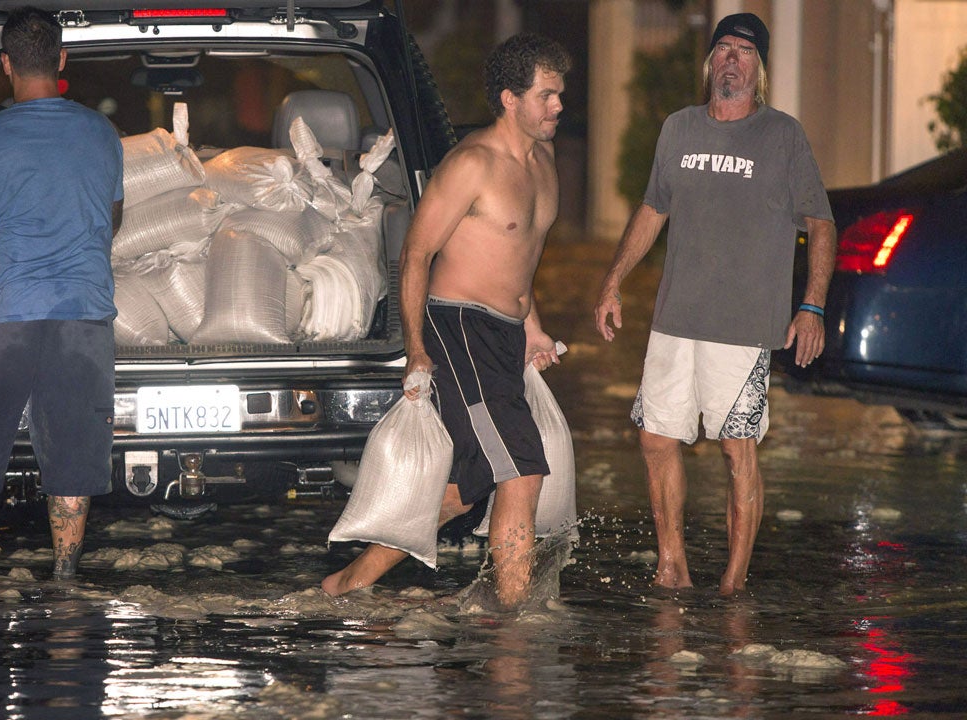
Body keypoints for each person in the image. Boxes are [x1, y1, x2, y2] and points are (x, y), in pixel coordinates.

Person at [321, 33, 571, 609]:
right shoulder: (472, 164)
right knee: (523, 467)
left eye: (560, 95)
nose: (558, 106)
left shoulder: (545, 161)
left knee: (464, 489)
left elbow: (520, 258)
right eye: (547, 95)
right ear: (510, 99)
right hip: (459, 328)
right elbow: (416, 253)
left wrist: (532, 325)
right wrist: (415, 349)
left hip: (505, 336)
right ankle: (513, 622)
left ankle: (344, 586)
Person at [593, 13, 836, 596]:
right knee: (655, 439)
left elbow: (821, 224)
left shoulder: (783, 136)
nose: (731, 59)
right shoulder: (678, 129)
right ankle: (672, 564)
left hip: (745, 327)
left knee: (737, 452)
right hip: (675, 317)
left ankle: (732, 583)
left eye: (744, 52)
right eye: (723, 48)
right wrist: (612, 281)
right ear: (710, 63)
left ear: (759, 70)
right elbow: (653, 210)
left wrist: (813, 306)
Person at [0, 6, 124, 580]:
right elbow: (109, 224)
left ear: (7, 64)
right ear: (62, 61)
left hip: (8, 315)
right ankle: (65, 582)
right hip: (84, 316)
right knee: (70, 462)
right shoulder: (103, 134)